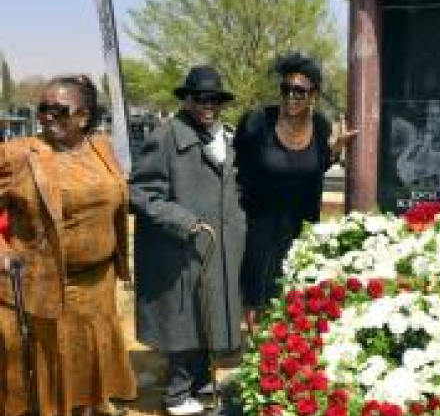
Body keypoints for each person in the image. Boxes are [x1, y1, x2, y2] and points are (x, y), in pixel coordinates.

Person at [0, 75, 136, 416]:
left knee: (92, 361)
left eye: (58, 110)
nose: (47, 117)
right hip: (49, 284)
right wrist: (4, 254)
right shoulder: (19, 155)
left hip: (99, 283)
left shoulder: (102, 149)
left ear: (84, 116)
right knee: (56, 367)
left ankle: (90, 407)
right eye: (43, 109)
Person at [129, 65, 246, 416]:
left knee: (211, 314)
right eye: (200, 98)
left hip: (220, 247)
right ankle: (178, 395)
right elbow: (141, 192)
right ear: (188, 99)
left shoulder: (226, 137)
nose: (207, 105)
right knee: (185, 319)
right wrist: (184, 221)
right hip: (182, 246)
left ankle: (200, 382)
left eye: (214, 99)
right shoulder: (166, 137)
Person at [234, 52, 356, 324]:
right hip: (260, 225)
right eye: (286, 89)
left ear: (313, 94)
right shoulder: (258, 122)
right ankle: (258, 350)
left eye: (299, 91)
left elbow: (314, 168)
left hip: (301, 225)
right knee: (257, 295)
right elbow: (239, 169)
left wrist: (335, 151)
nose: (291, 96)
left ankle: (283, 348)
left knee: (294, 291)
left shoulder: (321, 127)